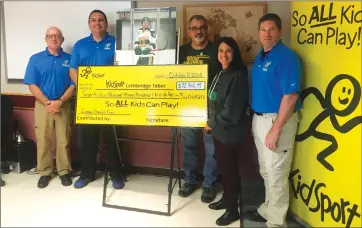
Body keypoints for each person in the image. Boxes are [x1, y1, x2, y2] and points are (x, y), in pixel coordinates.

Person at [245, 13, 302, 227]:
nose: (266, 34)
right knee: (265, 170)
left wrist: (276, 129)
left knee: (277, 174)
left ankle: (276, 223)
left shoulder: (287, 57)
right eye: (263, 30)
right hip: (259, 120)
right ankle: (268, 209)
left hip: (278, 122)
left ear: (280, 31)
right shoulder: (262, 56)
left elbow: (291, 96)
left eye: (271, 29)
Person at [69, 9, 125, 189]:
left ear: (106, 24)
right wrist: (85, 88)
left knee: (112, 138)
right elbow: (73, 70)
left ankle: (116, 174)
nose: (97, 23)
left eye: (101, 20)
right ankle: (87, 174)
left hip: (111, 99)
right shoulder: (80, 45)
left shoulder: (117, 43)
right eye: (93, 20)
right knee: (88, 139)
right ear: (89, 24)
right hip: (88, 100)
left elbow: (125, 67)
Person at [205, 37, 249, 226]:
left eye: (228, 51)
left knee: (230, 171)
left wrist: (210, 123)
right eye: (221, 51)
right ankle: (227, 199)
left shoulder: (238, 76)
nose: (224, 54)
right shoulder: (218, 74)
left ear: (235, 53)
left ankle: (232, 210)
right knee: (224, 168)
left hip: (230, 132)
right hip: (218, 130)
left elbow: (231, 112)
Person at [23, 26, 74, 188]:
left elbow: (74, 85)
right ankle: (45, 172)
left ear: (62, 39)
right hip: (42, 105)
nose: (54, 38)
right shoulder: (35, 59)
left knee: (63, 140)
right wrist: (47, 102)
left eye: (57, 35)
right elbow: (32, 85)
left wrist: (59, 101)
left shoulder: (71, 60)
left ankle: (64, 171)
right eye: (50, 36)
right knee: (43, 139)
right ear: (45, 39)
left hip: (64, 104)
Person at [178, 15, 218, 203]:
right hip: (187, 107)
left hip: (211, 108)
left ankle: (209, 184)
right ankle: (190, 180)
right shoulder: (181, 52)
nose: (198, 31)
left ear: (207, 29)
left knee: (211, 149)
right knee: (189, 147)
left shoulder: (217, 50)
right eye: (194, 28)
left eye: (202, 27)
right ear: (189, 31)